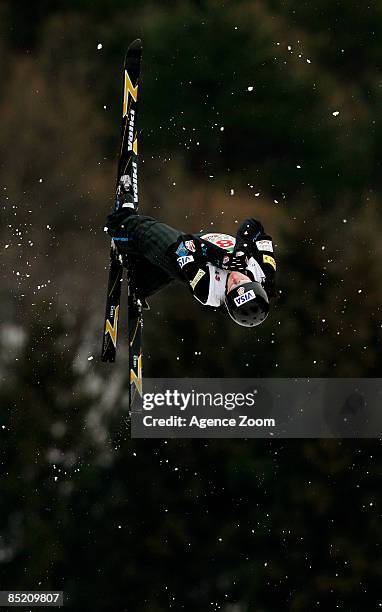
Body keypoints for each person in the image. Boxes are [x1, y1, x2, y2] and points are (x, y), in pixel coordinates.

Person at [105, 186, 277, 328]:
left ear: (226, 297)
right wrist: (242, 250)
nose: (236, 279)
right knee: (152, 260)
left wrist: (222, 258)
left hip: (184, 254)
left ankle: (123, 223)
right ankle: (142, 277)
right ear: (256, 284)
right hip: (205, 240)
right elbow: (254, 226)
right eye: (243, 282)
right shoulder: (265, 271)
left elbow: (184, 247)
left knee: (136, 231)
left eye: (232, 287)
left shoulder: (207, 290)